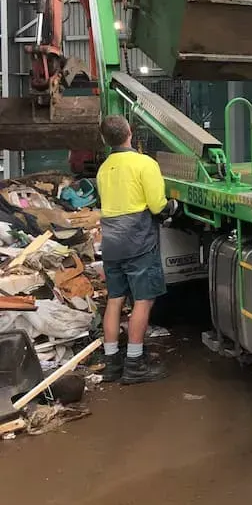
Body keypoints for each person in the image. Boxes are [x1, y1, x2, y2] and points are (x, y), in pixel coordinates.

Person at [95, 115, 178, 384]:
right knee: (143, 301)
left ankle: (111, 364)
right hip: (138, 241)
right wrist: (174, 207)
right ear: (130, 132)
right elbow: (157, 206)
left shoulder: (104, 168)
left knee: (115, 300)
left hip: (111, 243)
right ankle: (134, 364)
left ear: (105, 140)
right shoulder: (145, 164)